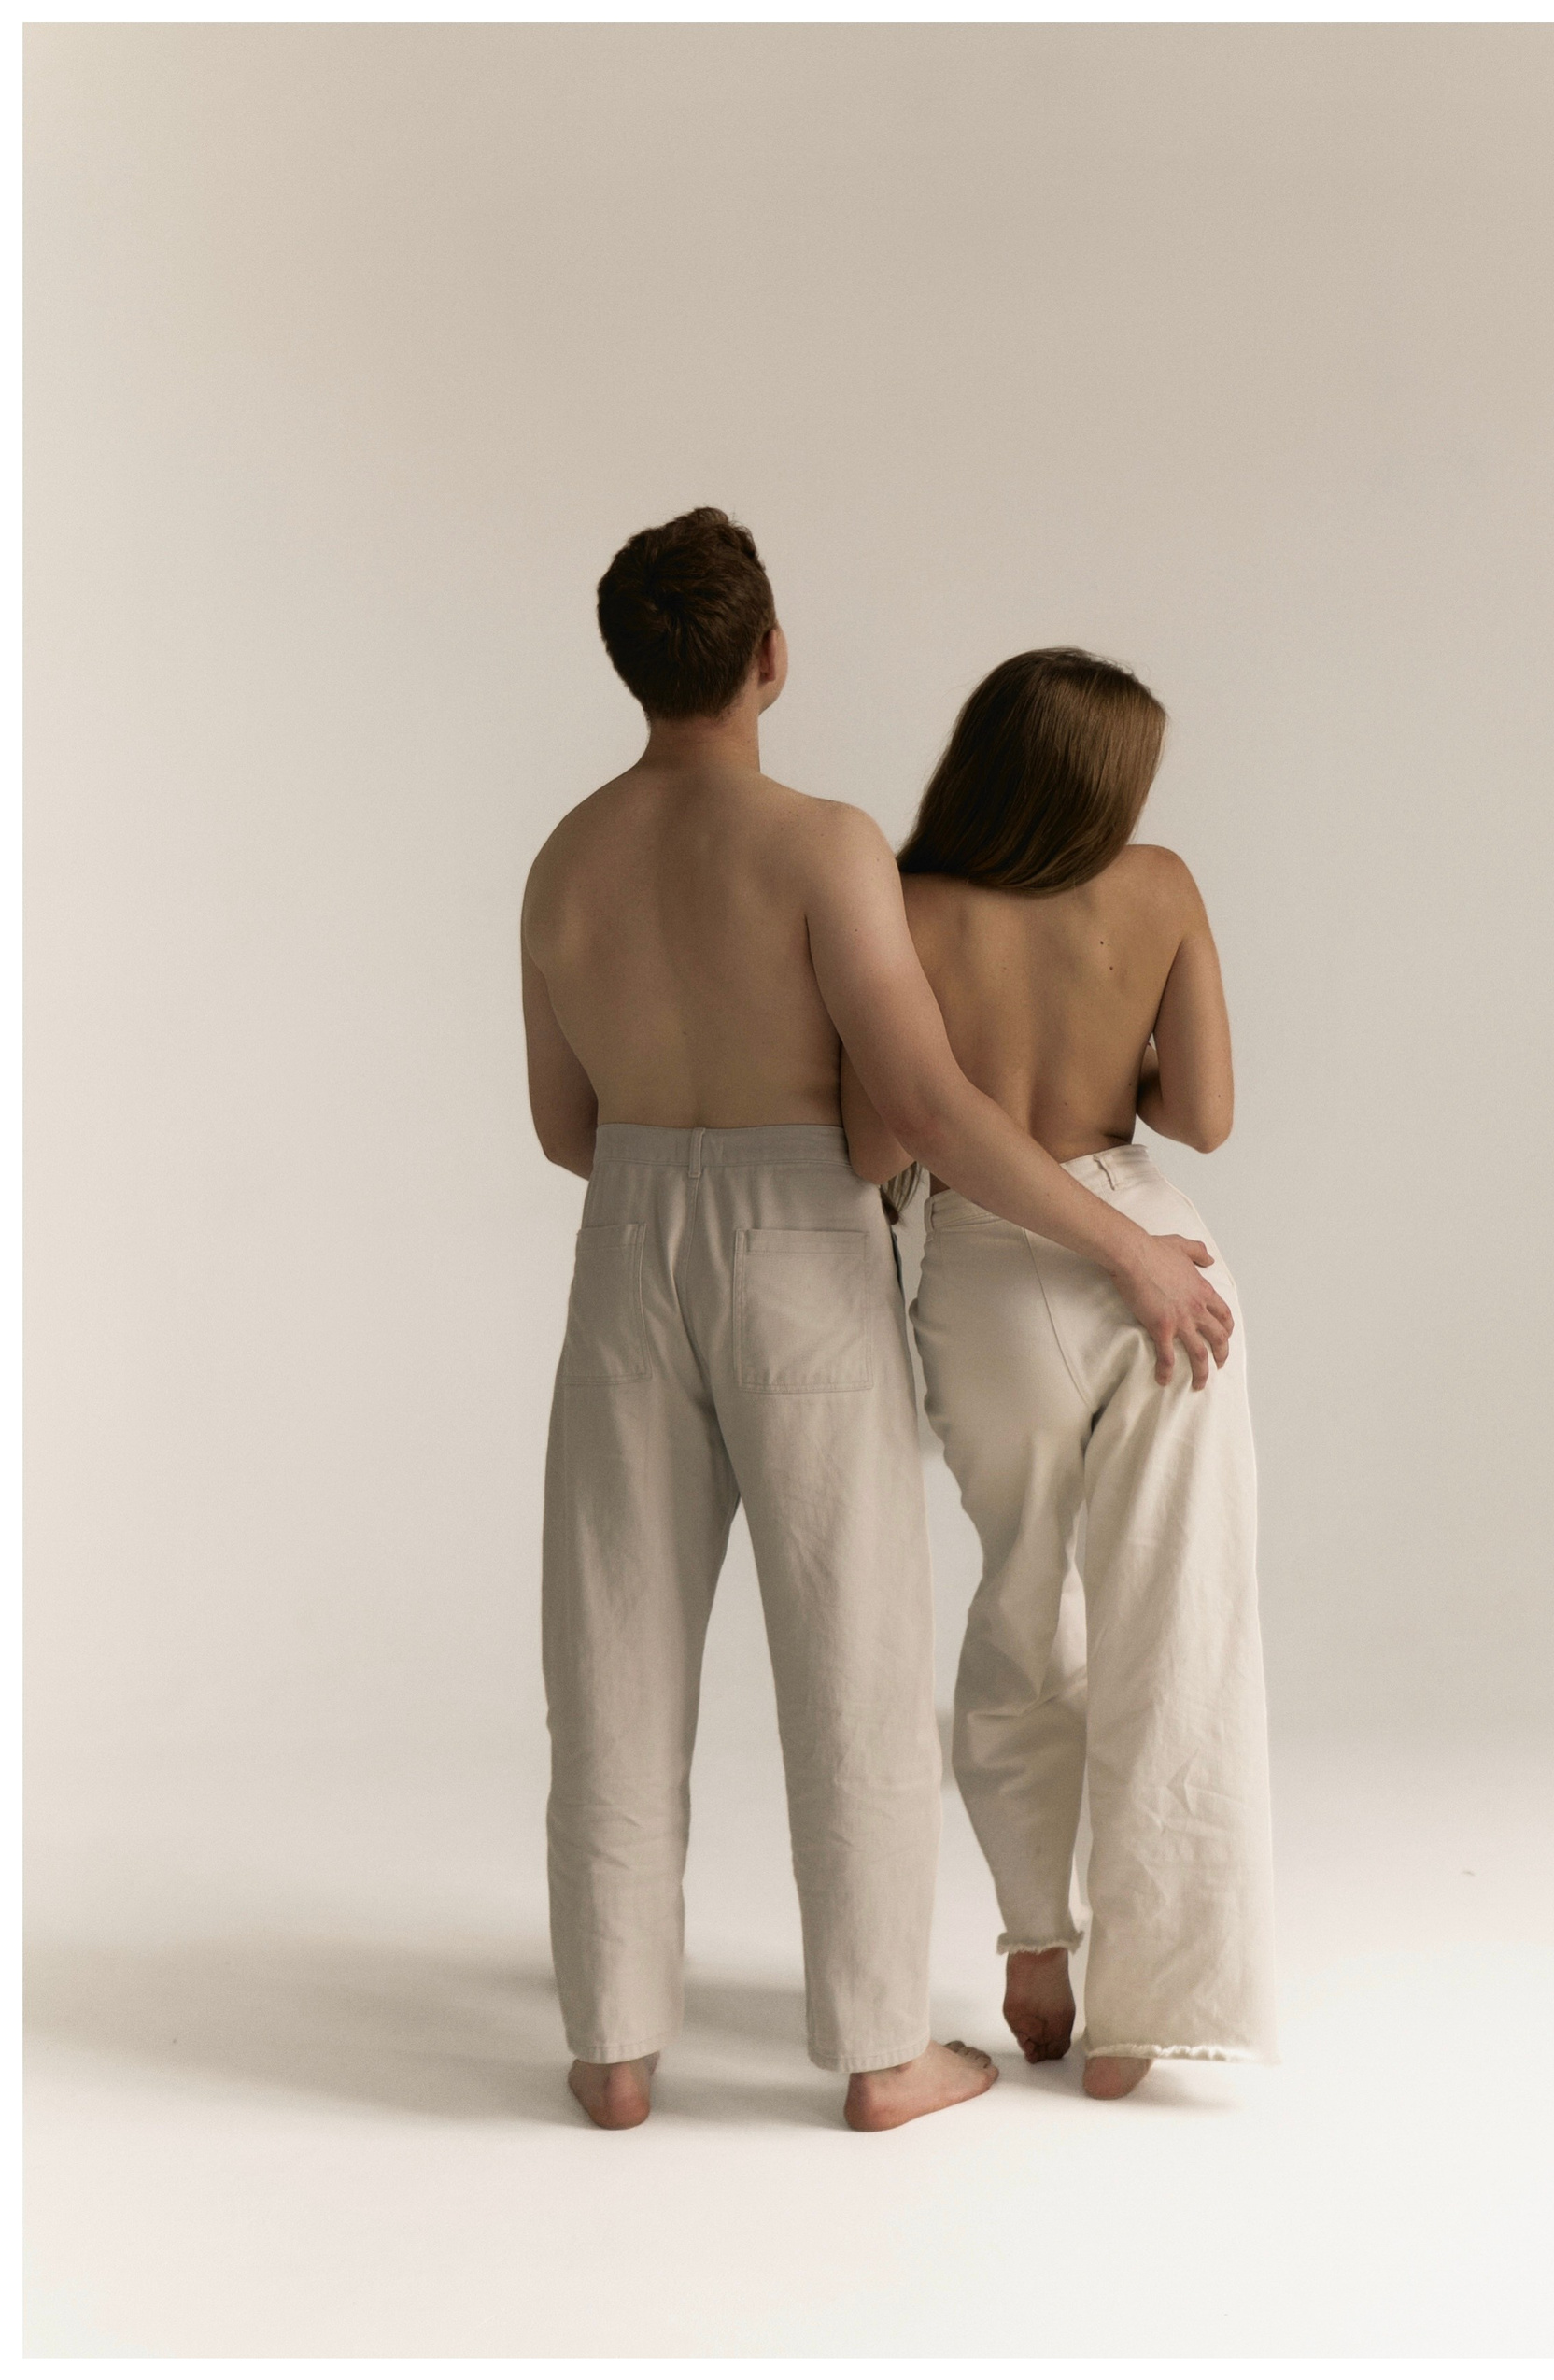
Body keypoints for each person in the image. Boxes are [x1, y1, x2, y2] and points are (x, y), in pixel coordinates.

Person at [520, 517, 1235, 2132]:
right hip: (794, 1241)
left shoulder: (563, 860)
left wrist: (668, 1166)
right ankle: (876, 2051)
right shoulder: (824, 845)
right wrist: (1125, 1249)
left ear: (629, 666)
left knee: (611, 1644)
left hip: (623, 1240)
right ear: (771, 655)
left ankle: (613, 2048)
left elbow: (564, 1127)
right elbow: (922, 1108)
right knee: (851, 1648)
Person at [841, 647, 1278, 2100]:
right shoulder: (1159, 887)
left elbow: (878, 1142)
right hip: (1163, 1259)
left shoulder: (905, 906)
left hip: (987, 1269)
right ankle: (1152, 2014)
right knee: (1182, 1619)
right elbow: (1204, 1112)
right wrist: (1111, 1061)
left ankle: (1038, 1945)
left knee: (1027, 1598)